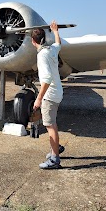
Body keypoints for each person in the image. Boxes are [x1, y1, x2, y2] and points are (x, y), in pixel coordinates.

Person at [31, 21, 64, 169]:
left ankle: (54, 159)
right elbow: (59, 43)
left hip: (50, 95)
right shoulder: (51, 50)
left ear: (33, 41)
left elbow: (46, 80)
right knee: (53, 124)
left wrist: (38, 99)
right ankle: (55, 148)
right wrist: (55, 31)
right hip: (58, 92)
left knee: (50, 126)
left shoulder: (42, 56)